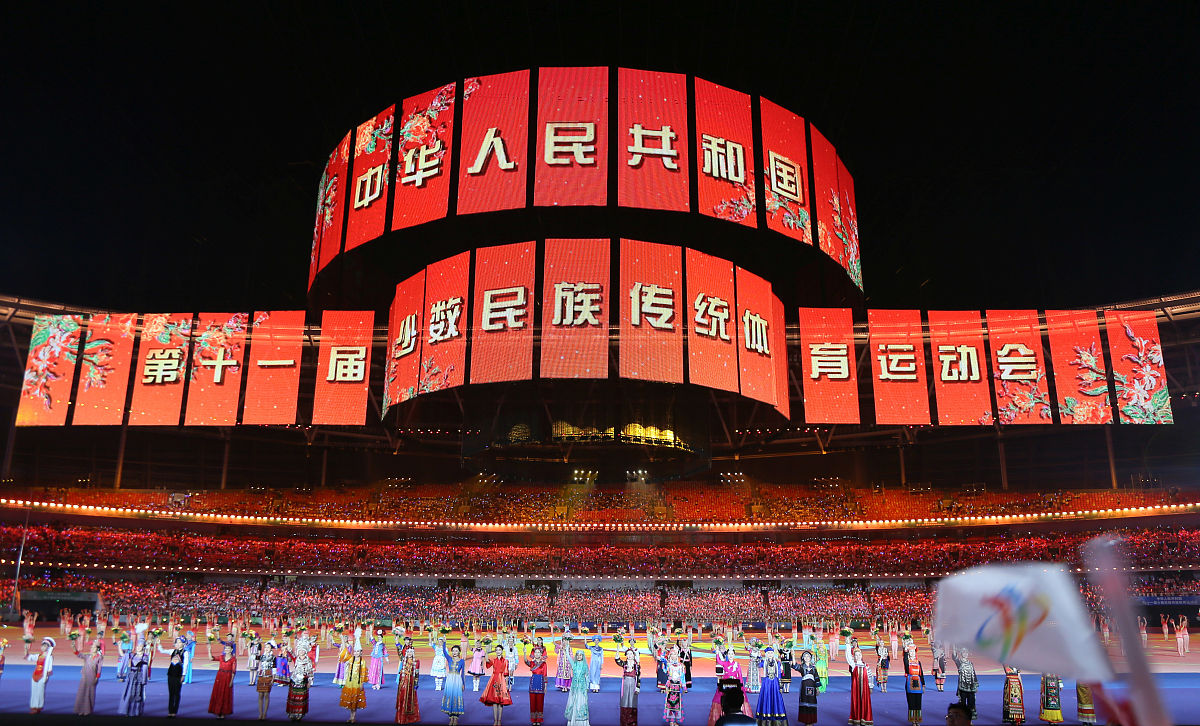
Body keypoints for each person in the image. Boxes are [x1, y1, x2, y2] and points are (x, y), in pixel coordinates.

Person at [339, 635, 369, 724]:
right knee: (350, 699)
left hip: (357, 683)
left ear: (361, 653)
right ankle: (351, 716)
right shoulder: (351, 659)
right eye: (355, 651)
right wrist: (343, 640)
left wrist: (361, 684)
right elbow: (345, 652)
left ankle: (353, 717)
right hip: (350, 682)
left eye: (358, 652)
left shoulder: (362, 662)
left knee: (355, 700)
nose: (356, 653)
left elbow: (363, 673)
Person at [481, 644, 513, 726]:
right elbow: (487, 660)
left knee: (501, 702)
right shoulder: (494, 660)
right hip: (494, 680)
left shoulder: (505, 661)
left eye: (499, 649)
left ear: (502, 651)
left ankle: (499, 720)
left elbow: (506, 674)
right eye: (497, 650)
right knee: (494, 702)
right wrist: (487, 651)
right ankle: (495, 720)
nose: (498, 651)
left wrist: (506, 685)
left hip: (501, 680)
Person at [755, 647, 787, 726]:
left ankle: (776, 719)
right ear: (766, 654)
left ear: (773, 654)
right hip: (767, 682)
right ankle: (766, 719)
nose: (770, 654)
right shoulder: (764, 662)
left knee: (776, 698)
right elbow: (758, 665)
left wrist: (780, 686)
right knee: (766, 698)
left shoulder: (777, 662)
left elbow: (779, 674)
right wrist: (758, 657)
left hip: (775, 682)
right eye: (768, 653)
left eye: (771, 653)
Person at [74, 634, 104, 716]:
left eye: (93, 647)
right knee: (82, 692)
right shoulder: (87, 656)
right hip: (85, 676)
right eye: (91, 647)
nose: (91, 648)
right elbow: (79, 655)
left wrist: (97, 678)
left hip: (92, 677)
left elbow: (99, 668)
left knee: (90, 693)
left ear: (97, 649)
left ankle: (88, 710)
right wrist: (74, 647)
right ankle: (80, 710)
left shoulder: (99, 657)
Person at [119, 640, 152, 716]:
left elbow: (145, 667)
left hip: (139, 676)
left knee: (138, 693)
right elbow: (123, 655)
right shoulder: (133, 655)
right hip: (132, 676)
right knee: (130, 693)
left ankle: (137, 711)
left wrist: (144, 679)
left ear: (143, 648)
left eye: (140, 646)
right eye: (137, 646)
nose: (138, 647)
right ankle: (129, 711)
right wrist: (120, 646)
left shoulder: (144, 657)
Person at [208, 637, 237, 719]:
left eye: (228, 648)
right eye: (226, 648)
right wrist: (209, 650)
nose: (227, 649)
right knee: (218, 693)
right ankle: (217, 711)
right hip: (220, 676)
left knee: (225, 694)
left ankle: (223, 712)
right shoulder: (221, 657)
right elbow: (211, 658)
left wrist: (231, 681)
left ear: (231, 650)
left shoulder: (233, 659)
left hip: (227, 677)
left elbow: (233, 671)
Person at [847, 641, 873, 726]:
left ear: (861, 656)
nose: (858, 656)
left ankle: (865, 719)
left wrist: (871, 686)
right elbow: (848, 656)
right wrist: (847, 643)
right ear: (854, 656)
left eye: (859, 655)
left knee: (865, 703)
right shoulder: (853, 665)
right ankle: (857, 719)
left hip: (865, 689)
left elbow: (870, 676)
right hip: (856, 689)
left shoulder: (866, 665)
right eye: (856, 655)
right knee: (856, 703)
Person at [615, 643, 641, 726]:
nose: (629, 655)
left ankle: (632, 721)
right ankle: (624, 721)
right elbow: (617, 660)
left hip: (633, 683)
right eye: (628, 654)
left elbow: (639, 676)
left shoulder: (636, 665)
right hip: (626, 683)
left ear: (634, 655)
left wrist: (638, 687)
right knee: (625, 700)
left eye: (631, 654)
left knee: (632, 701)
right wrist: (618, 649)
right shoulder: (625, 664)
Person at [525, 637, 550, 726]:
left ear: (541, 654)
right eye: (535, 652)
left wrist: (546, 687)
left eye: (538, 652)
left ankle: (539, 719)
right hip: (533, 683)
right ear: (534, 654)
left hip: (540, 683)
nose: (537, 654)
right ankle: (533, 719)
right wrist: (525, 653)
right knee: (532, 702)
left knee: (540, 702)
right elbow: (526, 662)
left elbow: (545, 675)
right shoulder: (532, 663)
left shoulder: (544, 664)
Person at [396, 639, 421, 725]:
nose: (409, 654)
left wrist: (416, 684)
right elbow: (400, 653)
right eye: (408, 652)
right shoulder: (404, 661)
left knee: (410, 700)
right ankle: (401, 717)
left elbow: (417, 674)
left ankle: (409, 718)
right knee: (402, 698)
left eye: (411, 652)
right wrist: (397, 642)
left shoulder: (416, 662)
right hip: (403, 682)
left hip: (411, 683)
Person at [565, 649, 592, 726]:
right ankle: (573, 721)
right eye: (577, 655)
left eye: (580, 655)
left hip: (582, 688)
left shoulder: (585, 666)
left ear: (583, 656)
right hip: (574, 688)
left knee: (581, 702)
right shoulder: (574, 664)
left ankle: (582, 722)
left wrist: (586, 687)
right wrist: (567, 648)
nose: (579, 656)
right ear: (576, 656)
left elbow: (587, 676)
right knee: (574, 702)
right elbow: (568, 657)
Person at [661, 645, 687, 726]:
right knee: (670, 703)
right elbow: (664, 670)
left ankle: (675, 720)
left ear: (677, 655)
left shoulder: (681, 666)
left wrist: (684, 687)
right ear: (670, 656)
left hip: (678, 687)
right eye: (672, 654)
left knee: (677, 704)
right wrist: (663, 652)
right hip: (670, 686)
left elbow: (682, 677)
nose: (673, 656)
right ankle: (671, 721)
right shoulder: (668, 665)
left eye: (675, 654)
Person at [902, 639, 925, 725]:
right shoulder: (907, 662)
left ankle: (917, 720)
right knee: (911, 703)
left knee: (918, 703)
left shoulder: (918, 662)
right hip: (910, 684)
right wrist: (905, 649)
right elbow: (905, 658)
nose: (912, 653)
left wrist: (923, 684)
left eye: (913, 651)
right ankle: (913, 721)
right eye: (910, 651)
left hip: (918, 684)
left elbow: (921, 674)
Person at [952, 647, 978, 720]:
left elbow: (974, 673)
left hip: (971, 686)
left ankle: (971, 714)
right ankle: (962, 715)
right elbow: (954, 657)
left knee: (972, 701)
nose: (965, 654)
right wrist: (954, 646)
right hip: (963, 686)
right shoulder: (959, 662)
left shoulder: (970, 663)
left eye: (966, 652)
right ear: (961, 654)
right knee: (962, 702)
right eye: (964, 652)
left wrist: (976, 684)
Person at [796, 650, 818, 725]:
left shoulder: (814, 668)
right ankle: (806, 721)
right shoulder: (802, 667)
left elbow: (817, 678)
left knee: (812, 702)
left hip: (812, 686)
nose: (807, 657)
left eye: (808, 656)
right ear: (803, 658)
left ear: (810, 658)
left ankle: (811, 721)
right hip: (804, 687)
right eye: (805, 656)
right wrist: (792, 655)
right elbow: (794, 665)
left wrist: (817, 688)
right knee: (805, 702)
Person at [255, 642, 276, 721]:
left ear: (271, 649)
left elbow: (274, 669)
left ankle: (265, 713)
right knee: (260, 695)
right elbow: (256, 661)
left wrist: (273, 679)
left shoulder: (273, 658)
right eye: (266, 647)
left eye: (268, 647)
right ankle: (260, 713)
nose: (267, 649)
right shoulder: (262, 657)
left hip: (268, 676)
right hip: (261, 676)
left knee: (266, 694)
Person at [167, 643, 185, 718]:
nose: (177, 644)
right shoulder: (173, 651)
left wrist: (183, 675)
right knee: (171, 693)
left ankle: (175, 711)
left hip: (178, 675)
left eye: (179, 642)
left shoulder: (185, 652)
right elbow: (162, 651)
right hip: (171, 674)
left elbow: (186, 664)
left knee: (176, 693)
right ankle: (170, 711)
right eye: (176, 642)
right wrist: (158, 644)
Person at [555, 626, 575, 692]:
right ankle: (562, 686)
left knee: (567, 674)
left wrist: (571, 663)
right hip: (561, 663)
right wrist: (556, 647)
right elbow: (556, 652)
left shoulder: (569, 648)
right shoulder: (560, 648)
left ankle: (566, 686)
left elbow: (571, 656)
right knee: (561, 673)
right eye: (563, 641)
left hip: (567, 663)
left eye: (566, 641)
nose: (564, 642)